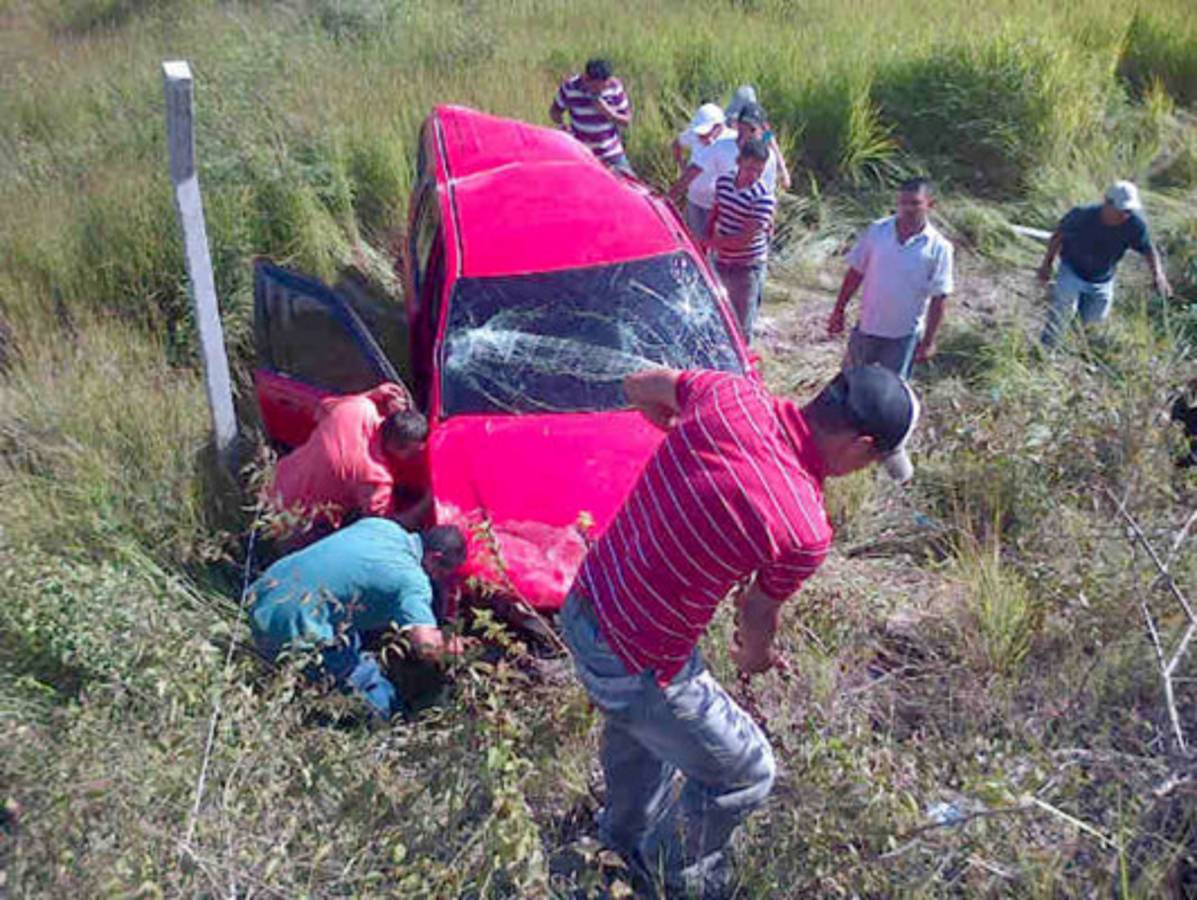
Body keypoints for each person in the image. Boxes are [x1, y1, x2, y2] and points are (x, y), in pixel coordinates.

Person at [560, 364, 920, 898]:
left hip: (587, 604)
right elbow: (756, 613)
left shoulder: (726, 394)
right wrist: (756, 659)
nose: (866, 468)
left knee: (642, 728)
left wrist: (676, 432)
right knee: (746, 774)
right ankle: (668, 874)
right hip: (639, 659)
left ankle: (619, 838)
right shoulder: (804, 526)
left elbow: (640, 385)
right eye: (874, 461)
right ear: (860, 446)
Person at [247, 518, 468, 721]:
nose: (442, 580)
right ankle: (387, 733)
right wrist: (459, 648)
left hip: (261, 596)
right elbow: (426, 646)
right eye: (445, 572)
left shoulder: (381, 526)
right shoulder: (413, 581)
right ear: (434, 558)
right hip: (293, 626)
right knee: (377, 699)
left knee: (350, 639)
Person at [267, 383, 430, 549]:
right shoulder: (375, 477)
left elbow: (322, 408)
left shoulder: (359, 408)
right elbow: (384, 529)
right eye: (414, 452)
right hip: (293, 520)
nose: (416, 456)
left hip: (273, 479)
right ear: (397, 448)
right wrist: (427, 502)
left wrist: (373, 394)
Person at [827, 177, 954, 378]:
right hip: (867, 329)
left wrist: (929, 341)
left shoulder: (939, 247)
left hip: (903, 337)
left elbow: (939, 298)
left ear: (930, 204)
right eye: (903, 203)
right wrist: (838, 311)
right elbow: (855, 272)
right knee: (850, 385)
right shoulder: (878, 231)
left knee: (889, 394)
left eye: (915, 203)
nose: (908, 209)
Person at [1037, 181, 1172, 347]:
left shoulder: (1134, 225)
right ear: (1107, 203)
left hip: (1102, 279)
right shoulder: (1081, 215)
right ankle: (1046, 351)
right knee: (1063, 312)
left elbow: (1148, 250)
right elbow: (1057, 237)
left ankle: (1071, 349)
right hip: (1072, 270)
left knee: (1092, 323)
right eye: (1121, 210)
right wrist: (1047, 265)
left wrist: (1158, 275)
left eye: (1129, 211)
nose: (1125, 214)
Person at [706, 138, 777, 340]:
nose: (753, 175)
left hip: (747, 266)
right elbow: (716, 210)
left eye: (759, 171)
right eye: (749, 168)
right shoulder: (723, 182)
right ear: (738, 161)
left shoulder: (764, 198)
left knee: (742, 325)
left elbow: (743, 240)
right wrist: (708, 236)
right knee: (720, 313)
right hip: (721, 259)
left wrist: (707, 244)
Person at [550, 58, 634, 175]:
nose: (598, 91)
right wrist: (563, 128)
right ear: (586, 79)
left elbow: (626, 121)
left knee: (631, 188)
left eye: (603, 87)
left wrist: (608, 112)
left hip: (611, 154)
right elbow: (555, 111)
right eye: (595, 87)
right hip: (581, 153)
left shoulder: (615, 87)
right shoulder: (570, 87)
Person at [667, 103, 737, 239]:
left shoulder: (731, 142)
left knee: (714, 246)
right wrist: (681, 166)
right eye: (700, 134)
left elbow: (764, 138)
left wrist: (668, 201)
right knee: (695, 240)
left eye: (705, 133)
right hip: (694, 201)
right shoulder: (694, 134)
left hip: (719, 208)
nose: (701, 137)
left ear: (719, 126)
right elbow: (676, 144)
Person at [731, 101, 791, 194]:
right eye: (742, 127)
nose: (746, 133)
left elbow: (767, 194)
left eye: (752, 129)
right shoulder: (723, 143)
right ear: (736, 124)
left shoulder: (766, 157)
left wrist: (783, 170)